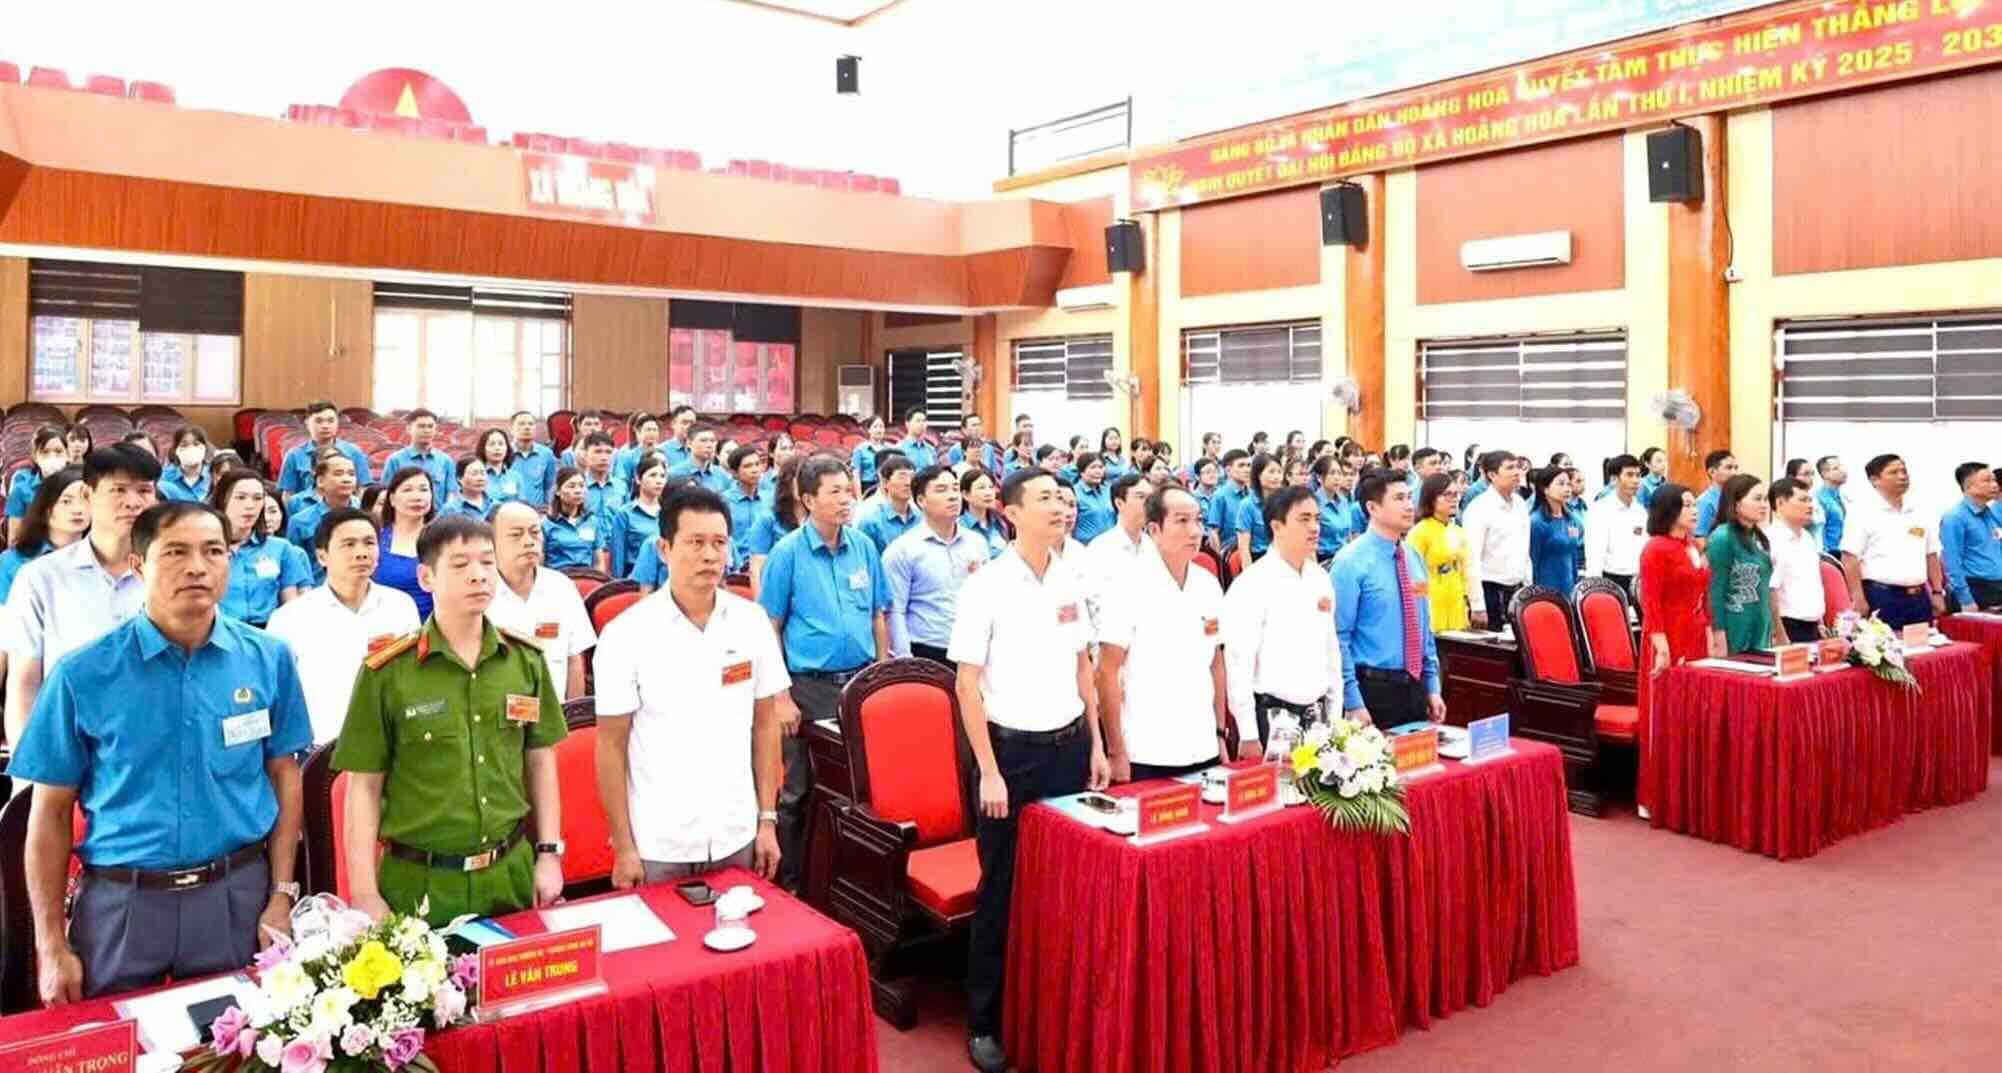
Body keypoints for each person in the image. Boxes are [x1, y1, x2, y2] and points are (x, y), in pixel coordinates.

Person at [13, 500, 312, 1003]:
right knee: (118, 1048)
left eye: (213, 551)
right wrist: (50, 943)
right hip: (123, 903)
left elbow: (284, 776)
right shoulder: (82, 674)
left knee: (240, 1046)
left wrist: (281, 895)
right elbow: (49, 813)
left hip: (236, 894)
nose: (197, 566)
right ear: (138, 566)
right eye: (175, 551)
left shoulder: (269, 659)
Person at [951, 468, 1110, 1073]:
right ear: (1011, 513)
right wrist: (988, 771)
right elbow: (966, 685)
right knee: (1002, 888)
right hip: (1009, 755)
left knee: (1066, 886)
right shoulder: (986, 585)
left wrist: (1094, 745)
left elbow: (1083, 671)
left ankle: (1055, 1005)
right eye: (1044, 499)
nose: (1059, 508)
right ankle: (986, 1022)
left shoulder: (1070, 577)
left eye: (1062, 499)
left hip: (1069, 748)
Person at [335, 515, 568, 927]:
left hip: (509, 871)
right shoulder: (388, 673)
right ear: (426, 578)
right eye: (460, 565)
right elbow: (364, 788)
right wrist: (365, 893)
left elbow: (540, 760)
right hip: (420, 882)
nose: (478, 576)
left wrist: (548, 853)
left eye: (486, 562)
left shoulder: (525, 661)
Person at [594, 486, 786, 886]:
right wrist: (625, 846)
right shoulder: (626, 634)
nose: (710, 555)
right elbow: (611, 745)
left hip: (736, 830)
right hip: (660, 840)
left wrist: (766, 819)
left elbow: (766, 726)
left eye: (719, 543)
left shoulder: (751, 622)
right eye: (695, 542)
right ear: (664, 549)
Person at [757, 455, 889, 887]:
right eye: (833, 492)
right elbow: (770, 628)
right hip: (808, 688)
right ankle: (791, 881)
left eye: (847, 490)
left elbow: (876, 616)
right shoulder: (787, 553)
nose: (845, 500)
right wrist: (780, 696)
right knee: (799, 788)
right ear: (808, 500)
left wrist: (882, 673)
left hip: (859, 683)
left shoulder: (864, 546)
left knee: (862, 787)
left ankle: (846, 879)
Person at [5, 445, 159, 745]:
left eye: (144, 491)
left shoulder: (170, 576)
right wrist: (29, 776)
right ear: (88, 496)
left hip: (153, 749)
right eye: (119, 490)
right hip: (67, 750)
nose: (133, 502)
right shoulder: (41, 578)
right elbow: (24, 683)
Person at [1097, 484, 1226, 783]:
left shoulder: (1208, 584)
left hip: (1202, 743)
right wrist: (1116, 751)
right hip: (1146, 750)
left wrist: (1220, 732)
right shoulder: (1125, 583)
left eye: (1198, 520)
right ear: (1154, 529)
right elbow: (1106, 672)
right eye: (1182, 521)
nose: (1195, 531)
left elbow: (1216, 663)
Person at [268, 508, 422, 743]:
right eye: (348, 544)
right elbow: (276, 695)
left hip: (390, 745)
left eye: (369, 543)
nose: (361, 553)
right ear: (322, 556)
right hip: (320, 748)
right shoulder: (290, 618)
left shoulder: (401, 606)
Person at [1221, 484, 1341, 752]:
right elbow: (1239, 664)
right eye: (1304, 519)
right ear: (1277, 527)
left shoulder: (1320, 577)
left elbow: (1331, 651)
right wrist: (1248, 733)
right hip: (1274, 718)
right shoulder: (1252, 583)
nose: (1314, 528)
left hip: (1318, 717)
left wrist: (1335, 716)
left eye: (1317, 519)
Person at [1638, 484, 1714, 812]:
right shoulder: (1656, 548)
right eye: (1686, 505)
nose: (1694, 510)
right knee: (1664, 717)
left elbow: (1703, 594)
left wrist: (1709, 633)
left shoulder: (1693, 545)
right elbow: (1651, 602)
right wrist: (1661, 646)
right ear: (1668, 510)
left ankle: (1688, 791)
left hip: (1696, 632)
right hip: (1667, 635)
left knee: (1692, 715)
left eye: (1695, 504)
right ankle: (1655, 796)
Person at [487, 502, 596, 701]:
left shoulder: (562, 587)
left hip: (554, 719)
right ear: (491, 542)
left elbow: (574, 661)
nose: (529, 541)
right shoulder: (480, 592)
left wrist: (571, 721)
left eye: (535, 532)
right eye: (516, 534)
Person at [883, 464, 985, 665]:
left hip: (973, 650)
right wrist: (905, 661)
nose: (953, 496)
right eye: (941, 490)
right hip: (928, 652)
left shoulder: (977, 543)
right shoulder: (902, 550)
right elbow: (895, 611)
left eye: (955, 488)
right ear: (921, 500)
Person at [1841, 453, 1946, 630]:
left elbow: (1931, 554)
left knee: (1923, 651)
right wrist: (1858, 598)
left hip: (1919, 596)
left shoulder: (1919, 510)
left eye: (1904, 471)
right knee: (1890, 653)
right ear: (1875, 480)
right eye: (1894, 472)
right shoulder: (1862, 512)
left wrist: (1937, 591)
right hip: (1882, 596)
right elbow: (1850, 557)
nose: (1902, 476)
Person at [210, 470, 313, 627]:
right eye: (240, 497)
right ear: (223, 500)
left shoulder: (281, 548)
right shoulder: (205, 550)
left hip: (269, 634)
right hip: (222, 633)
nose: (250, 505)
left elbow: (290, 606)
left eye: (257, 498)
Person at [1705, 475, 1779, 654]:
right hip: (1734, 627)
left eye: (1765, 499)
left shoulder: (1758, 538)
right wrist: (1718, 636)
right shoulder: (1722, 538)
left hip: (1760, 627)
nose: (1764, 505)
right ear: (1736, 504)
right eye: (1757, 499)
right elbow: (1715, 591)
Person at [1461, 451, 1530, 628]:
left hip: (1518, 589)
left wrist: (1529, 587)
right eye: (1509, 468)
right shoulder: (1479, 508)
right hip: (1490, 589)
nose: (1517, 472)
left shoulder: (1520, 504)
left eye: (1518, 467)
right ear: (1492, 475)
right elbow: (1471, 558)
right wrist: (1477, 605)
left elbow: (1524, 549)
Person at [284, 449, 361, 583]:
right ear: (320, 481)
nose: (346, 479)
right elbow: (295, 568)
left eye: (351, 474)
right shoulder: (300, 521)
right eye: (338, 474)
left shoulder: (364, 515)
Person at [1766, 478, 1827, 644]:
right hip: (1788, 626)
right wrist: (1779, 633)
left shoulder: (1807, 537)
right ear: (1780, 503)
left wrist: (1820, 623)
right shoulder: (1771, 540)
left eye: (1810, 500)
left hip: (1813, 626)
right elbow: (1769, 590)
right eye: (1802, 500)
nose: (1810, 506)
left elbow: (1813, 583)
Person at [1408, 474, 1471, 633]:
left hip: (1456, 600)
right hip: (1431, 602)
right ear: (1431, 498)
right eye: (1447, 495)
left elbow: (1465, 569)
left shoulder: (1458, 531)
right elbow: (1412, 575)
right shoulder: (1419, 532)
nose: (1454, 499)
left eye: (1456, 494)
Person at [375, 467, 438, 621]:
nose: (417, 497)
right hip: (385, 634)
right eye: (407, 490)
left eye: (423, 490)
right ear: (392, 499)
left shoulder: (443, 540)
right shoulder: (375, 540)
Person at [277, 401, 372, 500]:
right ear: (307, 423)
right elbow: (288, 494)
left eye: (330, 421)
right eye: (319, 421)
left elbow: (362, 488)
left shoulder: (353, 452)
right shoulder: (294, 455)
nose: (325, 426)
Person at [1941, 462, 2002, 612]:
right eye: (1987, 481)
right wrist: (1966, 599)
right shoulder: (1955, 517)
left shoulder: (1992, 515)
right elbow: (1952, 562)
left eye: (1994, 480)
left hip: (1997, 589)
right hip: (1975, 590)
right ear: (1969, 487)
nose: (1994, 485)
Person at [1586, 454, 1649, 600]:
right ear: (1614, 479)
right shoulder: (1600, 510)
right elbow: (1595, 554)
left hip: (1638, 581)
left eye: (1638, 475)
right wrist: (1595, 590)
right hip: (1610, 580)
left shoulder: (1640, 511)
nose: (1635, 481)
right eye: (1629, 475)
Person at [747, 454, 808, 596]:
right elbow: (757, 570)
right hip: (777, 591)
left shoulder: (817, 519)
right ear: (787, 482)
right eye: (801, 480)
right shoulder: (768, 519)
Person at [602, 452, 667, 578]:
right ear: (638, 478)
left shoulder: (668, 513)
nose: (659, 481)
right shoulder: (625, 514)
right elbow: (618, 557)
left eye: (662, 476)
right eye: (653, 475)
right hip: (634, 579)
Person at [7, 425, 73, 543]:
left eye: (58, 452)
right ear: (35, 456)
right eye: (45, 452)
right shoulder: (21, 489)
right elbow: (14, 539)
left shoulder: (79, 486)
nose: (52, 457)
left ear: (68, 454)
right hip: (32, 553)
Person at [1086, 472, 1152, 582]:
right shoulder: (1100, 548)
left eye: (1151, 498)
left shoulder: (1152, 545)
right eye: (1141, 497)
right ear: (1119, 503)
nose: (1149, 504)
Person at [1528, 466, 1585, 593]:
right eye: (1561, 484)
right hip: (1545, 590)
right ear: (1545, 489)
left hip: (1569, 587)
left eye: (1569, 484)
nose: (1567, 489)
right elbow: (1532, 562)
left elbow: (1573, 555)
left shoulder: (1572, 519)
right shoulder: (1537, 522)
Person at [381, 409, 457, 501]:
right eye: (421, 426)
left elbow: (451, 494)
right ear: (409, 429)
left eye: (430, 426)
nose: (426, 430)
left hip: (438, 514)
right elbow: (387, 493)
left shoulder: (445, 460)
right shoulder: (395, 460)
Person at [857, 450, 918, 556]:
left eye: (912, 478)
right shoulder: (870, 521)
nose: (908, 483)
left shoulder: (922, 518)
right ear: (885, 482)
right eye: (902, 477)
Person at [720, 445, 770, 571]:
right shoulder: (723, 502)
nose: (755, 470)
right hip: (736, 570)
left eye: (757, 464)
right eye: (747, 466)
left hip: (766, 566)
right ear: (734, 472)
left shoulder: (770, 500)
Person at [542, 467, 603, 571]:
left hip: (587, 578)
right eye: (571, 486)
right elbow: (540, 563)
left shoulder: (592, 521)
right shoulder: (546, 524)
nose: (578, 491)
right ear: (557, 491)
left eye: (582, 486)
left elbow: (599, 563)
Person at [504, 410, 558, 509]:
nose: (527, 427)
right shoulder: (504, 453)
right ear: (511, 429)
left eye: (531, 424)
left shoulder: (546, 454)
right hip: (510, 511)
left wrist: (548, 507)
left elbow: (550, 486)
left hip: (538, 511)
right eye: (522, 424)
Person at [1311, 455, 1358, 563]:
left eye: (1339, 473)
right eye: (1332, 473)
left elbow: (1348, 535)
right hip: (1325, 559)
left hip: (1345, 557)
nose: (1337, 477)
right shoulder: (1314, 503)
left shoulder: (1343, 501)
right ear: (1319, 477)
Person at [1207, 449, 1253, 550]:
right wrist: (1220, 561)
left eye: (1249, 465)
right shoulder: (1220, 496)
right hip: (1230, 554)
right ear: (1228, 470)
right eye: (1241, 465)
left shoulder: (1252, 495)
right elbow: (1213, 532)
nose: (1247, 470)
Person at [574, 431, 626, 519]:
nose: (604, 458)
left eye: (608, 452)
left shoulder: (621, 486)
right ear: (586, 455)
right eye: (598, 452)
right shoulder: (576, 487)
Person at [960, 467, 1009, 558]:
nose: (988, 493)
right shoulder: (959, 526)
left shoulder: (1000, 522)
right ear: (966, 494)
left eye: (991, 487)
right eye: (981, 488)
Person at [667, 425, 733, 494]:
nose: (709, 445)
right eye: (703, 441)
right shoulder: (673, 474)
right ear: (689, 443)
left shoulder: (722, 475)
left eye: (712, 441)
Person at [157, 426, 213, 503]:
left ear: (205, 448)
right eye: (184, 445)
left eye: (196, 444)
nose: (191, 449)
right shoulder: (164, 477)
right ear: (175, 450)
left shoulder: (215, 474)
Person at [1692, 449, 1740, 539]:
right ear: (1712, 472)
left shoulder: (1736, 498)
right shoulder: (1704, 502)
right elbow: (1699, 540)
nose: (1734, 473)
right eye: (1729, 468)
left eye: (1736, 468)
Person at [1070, 452, 1115, 545]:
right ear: (1082, 471)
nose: (1098, 471)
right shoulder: (1074, 493)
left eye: (1101, 467)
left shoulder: (1108, 490)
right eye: (1093, 467)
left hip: (1110, 545)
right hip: (1085, 547)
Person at [613, 413, 665, 486]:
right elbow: (623, 482)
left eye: (655, 430)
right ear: (638, 432)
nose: (652, 433)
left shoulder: (664, 454)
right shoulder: (628, 456)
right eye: (648, 430)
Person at [443, 454, 498, 521]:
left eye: (483, 473)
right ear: (459, 478)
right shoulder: (450, 510)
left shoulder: (496, 505)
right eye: (474, 474)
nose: (480, 478)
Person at [1814, 455, 1848, 556]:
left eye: (1842, 467)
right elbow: (1819, 531)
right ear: (1825, 474)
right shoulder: (1819, 499)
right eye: (1836, 468)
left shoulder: (1843, 498)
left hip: (1846, 553)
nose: (1843, 471)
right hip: (1831, 555)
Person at [851, 415, 889, 493]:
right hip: (867, 486)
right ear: (869, 430)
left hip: (885, 486)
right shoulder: (860, 449)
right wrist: (859, 497)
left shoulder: (889, 449)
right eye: (875, 427)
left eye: (881, 427)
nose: (879, 430)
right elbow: (856, 474)